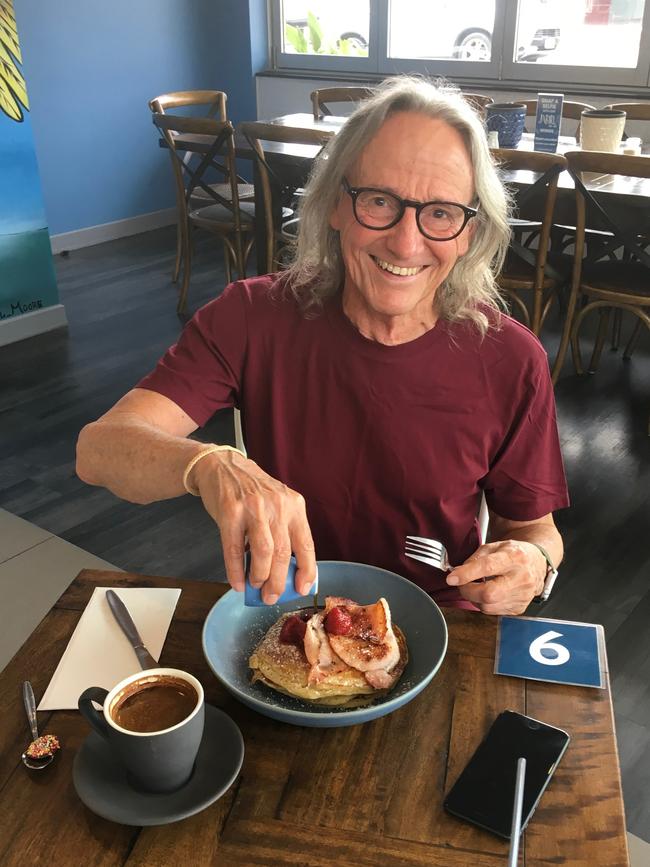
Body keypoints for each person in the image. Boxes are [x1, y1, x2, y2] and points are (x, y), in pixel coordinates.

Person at [76, 76, 568, 615]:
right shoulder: (251, 317)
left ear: (470, 232)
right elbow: (99, 452)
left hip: (440, 626)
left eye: (442, 213)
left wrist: (534, 564)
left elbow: (532, 528)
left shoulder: (511, 359)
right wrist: (210, 464)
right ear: (336, 205)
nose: (406, 242)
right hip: (287, 612)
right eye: (379, 201)